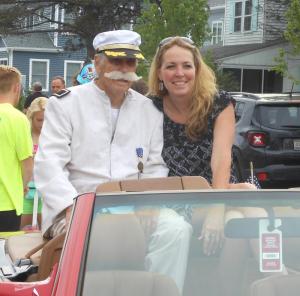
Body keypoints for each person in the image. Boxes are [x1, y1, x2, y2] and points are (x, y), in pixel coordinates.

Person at [34, 30, 191, 293]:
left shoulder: (149, 110)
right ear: (97, 63)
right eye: (116, 61)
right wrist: (71, 207)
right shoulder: (66, 104)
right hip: (78, 205)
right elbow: (49, 164)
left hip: (134, 204)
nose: (124, 69)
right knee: (107, 233)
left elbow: (154, 165)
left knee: (176, 229)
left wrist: (147, 204)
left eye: (130, 62)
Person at [148, 36, 256, 296]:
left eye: (187, 65)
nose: (179, 73)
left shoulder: (218, 102)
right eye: (171, 66)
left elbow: (221, 158)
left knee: (241, 219)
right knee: (244, 204)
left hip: (217, 190)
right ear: (160, 73)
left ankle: (267, 279)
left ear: (197, 70)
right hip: (174, 198)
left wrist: (216, 208)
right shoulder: (149, 106)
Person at [0, 65, 33, 231]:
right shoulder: (18, 119)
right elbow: (27, 163)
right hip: (7, 202)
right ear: (17, 88)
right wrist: (23, 184)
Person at [21, 97, 48, 230]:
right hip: (26, 192)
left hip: (47, 194)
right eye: (39, 120)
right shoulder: (24, 135)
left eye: (46, 120)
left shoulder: (54, 136)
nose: (42, 124)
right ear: (31, 118)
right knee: (21, 236)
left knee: (46, 236)